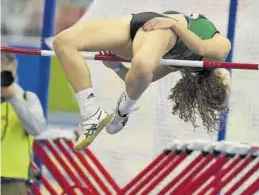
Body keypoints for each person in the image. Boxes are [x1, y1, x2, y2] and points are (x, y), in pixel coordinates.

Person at [53, 11, 231, 151]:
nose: (226, 75)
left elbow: (141, 79)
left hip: (157, 34)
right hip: (143, 23)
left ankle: (122, 111)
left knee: (143, 68)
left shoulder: (182, 62)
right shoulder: (221, 49)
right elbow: (199, 46)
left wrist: (116, 68)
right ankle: (91, 111)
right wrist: (176, 25)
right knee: (63, 42)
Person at [1, 52, 46, 195]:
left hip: (13, 180)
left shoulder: (27, 98)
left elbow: (36, 128)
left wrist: (13, 97)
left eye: (6, 73)